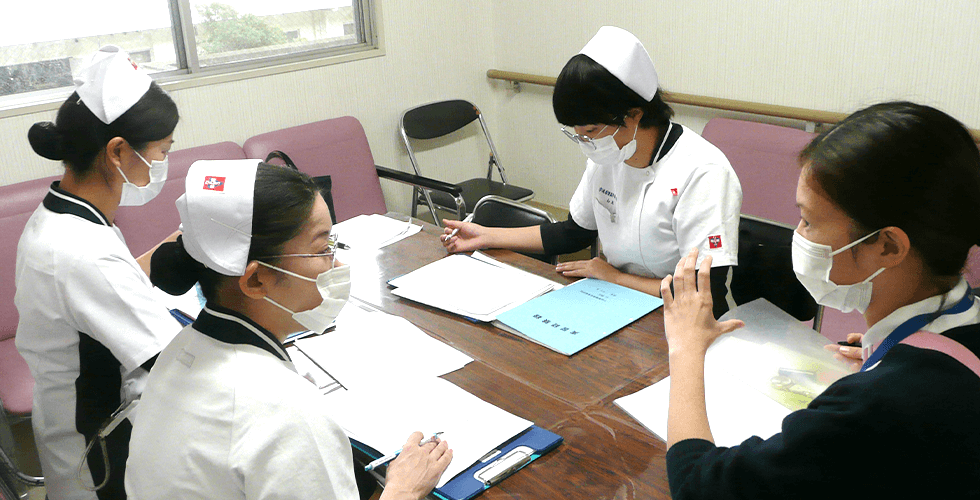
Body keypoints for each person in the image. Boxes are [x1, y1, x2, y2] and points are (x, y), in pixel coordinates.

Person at [661, 101, 980, 498]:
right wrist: (887, 357)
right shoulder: (961, 325)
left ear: (887, 246)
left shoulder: (878, 408)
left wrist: (687, 348)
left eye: (808, 221)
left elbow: (698, 487)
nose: (797, 234)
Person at [126, 160, 453, 499]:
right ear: (256, 279)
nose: (337, 264)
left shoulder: (181, 349)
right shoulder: (288, 413)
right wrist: (403, 490)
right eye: (322, 249)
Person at [441, 26, 741, 317]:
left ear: (634, 114)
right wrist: (485, 236)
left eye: (592, 130)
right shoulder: (609, 155)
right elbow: (573, 233)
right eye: (578, 133)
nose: (587, 142)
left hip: (693, 319)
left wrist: (616, 278)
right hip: (621, 302)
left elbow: (705, 292)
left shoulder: (703, 171)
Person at [15, 46, 182, 500]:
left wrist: (177, 246)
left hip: (72, 419)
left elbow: (110, 283)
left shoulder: (64, 215)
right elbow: (177, 365)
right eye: (162, 152)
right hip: (100, 455)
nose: (164, 163)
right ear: (118, 151)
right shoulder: (80, 251)